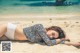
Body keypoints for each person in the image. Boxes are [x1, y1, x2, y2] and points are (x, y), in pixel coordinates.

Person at [0, 23, 80, 47]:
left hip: (9, 37)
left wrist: (73, 43)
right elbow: (49, 43)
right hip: (8, 28)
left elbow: (55, 42)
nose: (51, 36)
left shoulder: (44, 38)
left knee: (5, 46)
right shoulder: (40, 27)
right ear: (51, 28)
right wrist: (63, 38)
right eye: (52, 33)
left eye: (53, 37)